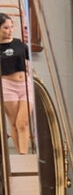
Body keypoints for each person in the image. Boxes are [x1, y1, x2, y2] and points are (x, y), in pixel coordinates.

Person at [0, 13, 31, 154]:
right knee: (13, 123)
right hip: (7, 85)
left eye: (12, 27)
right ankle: (21, 154)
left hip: (24, 85)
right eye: (6, 28)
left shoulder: (19, 44)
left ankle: (24, 154)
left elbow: (29, 60)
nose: (10, 30)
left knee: (22, 123)